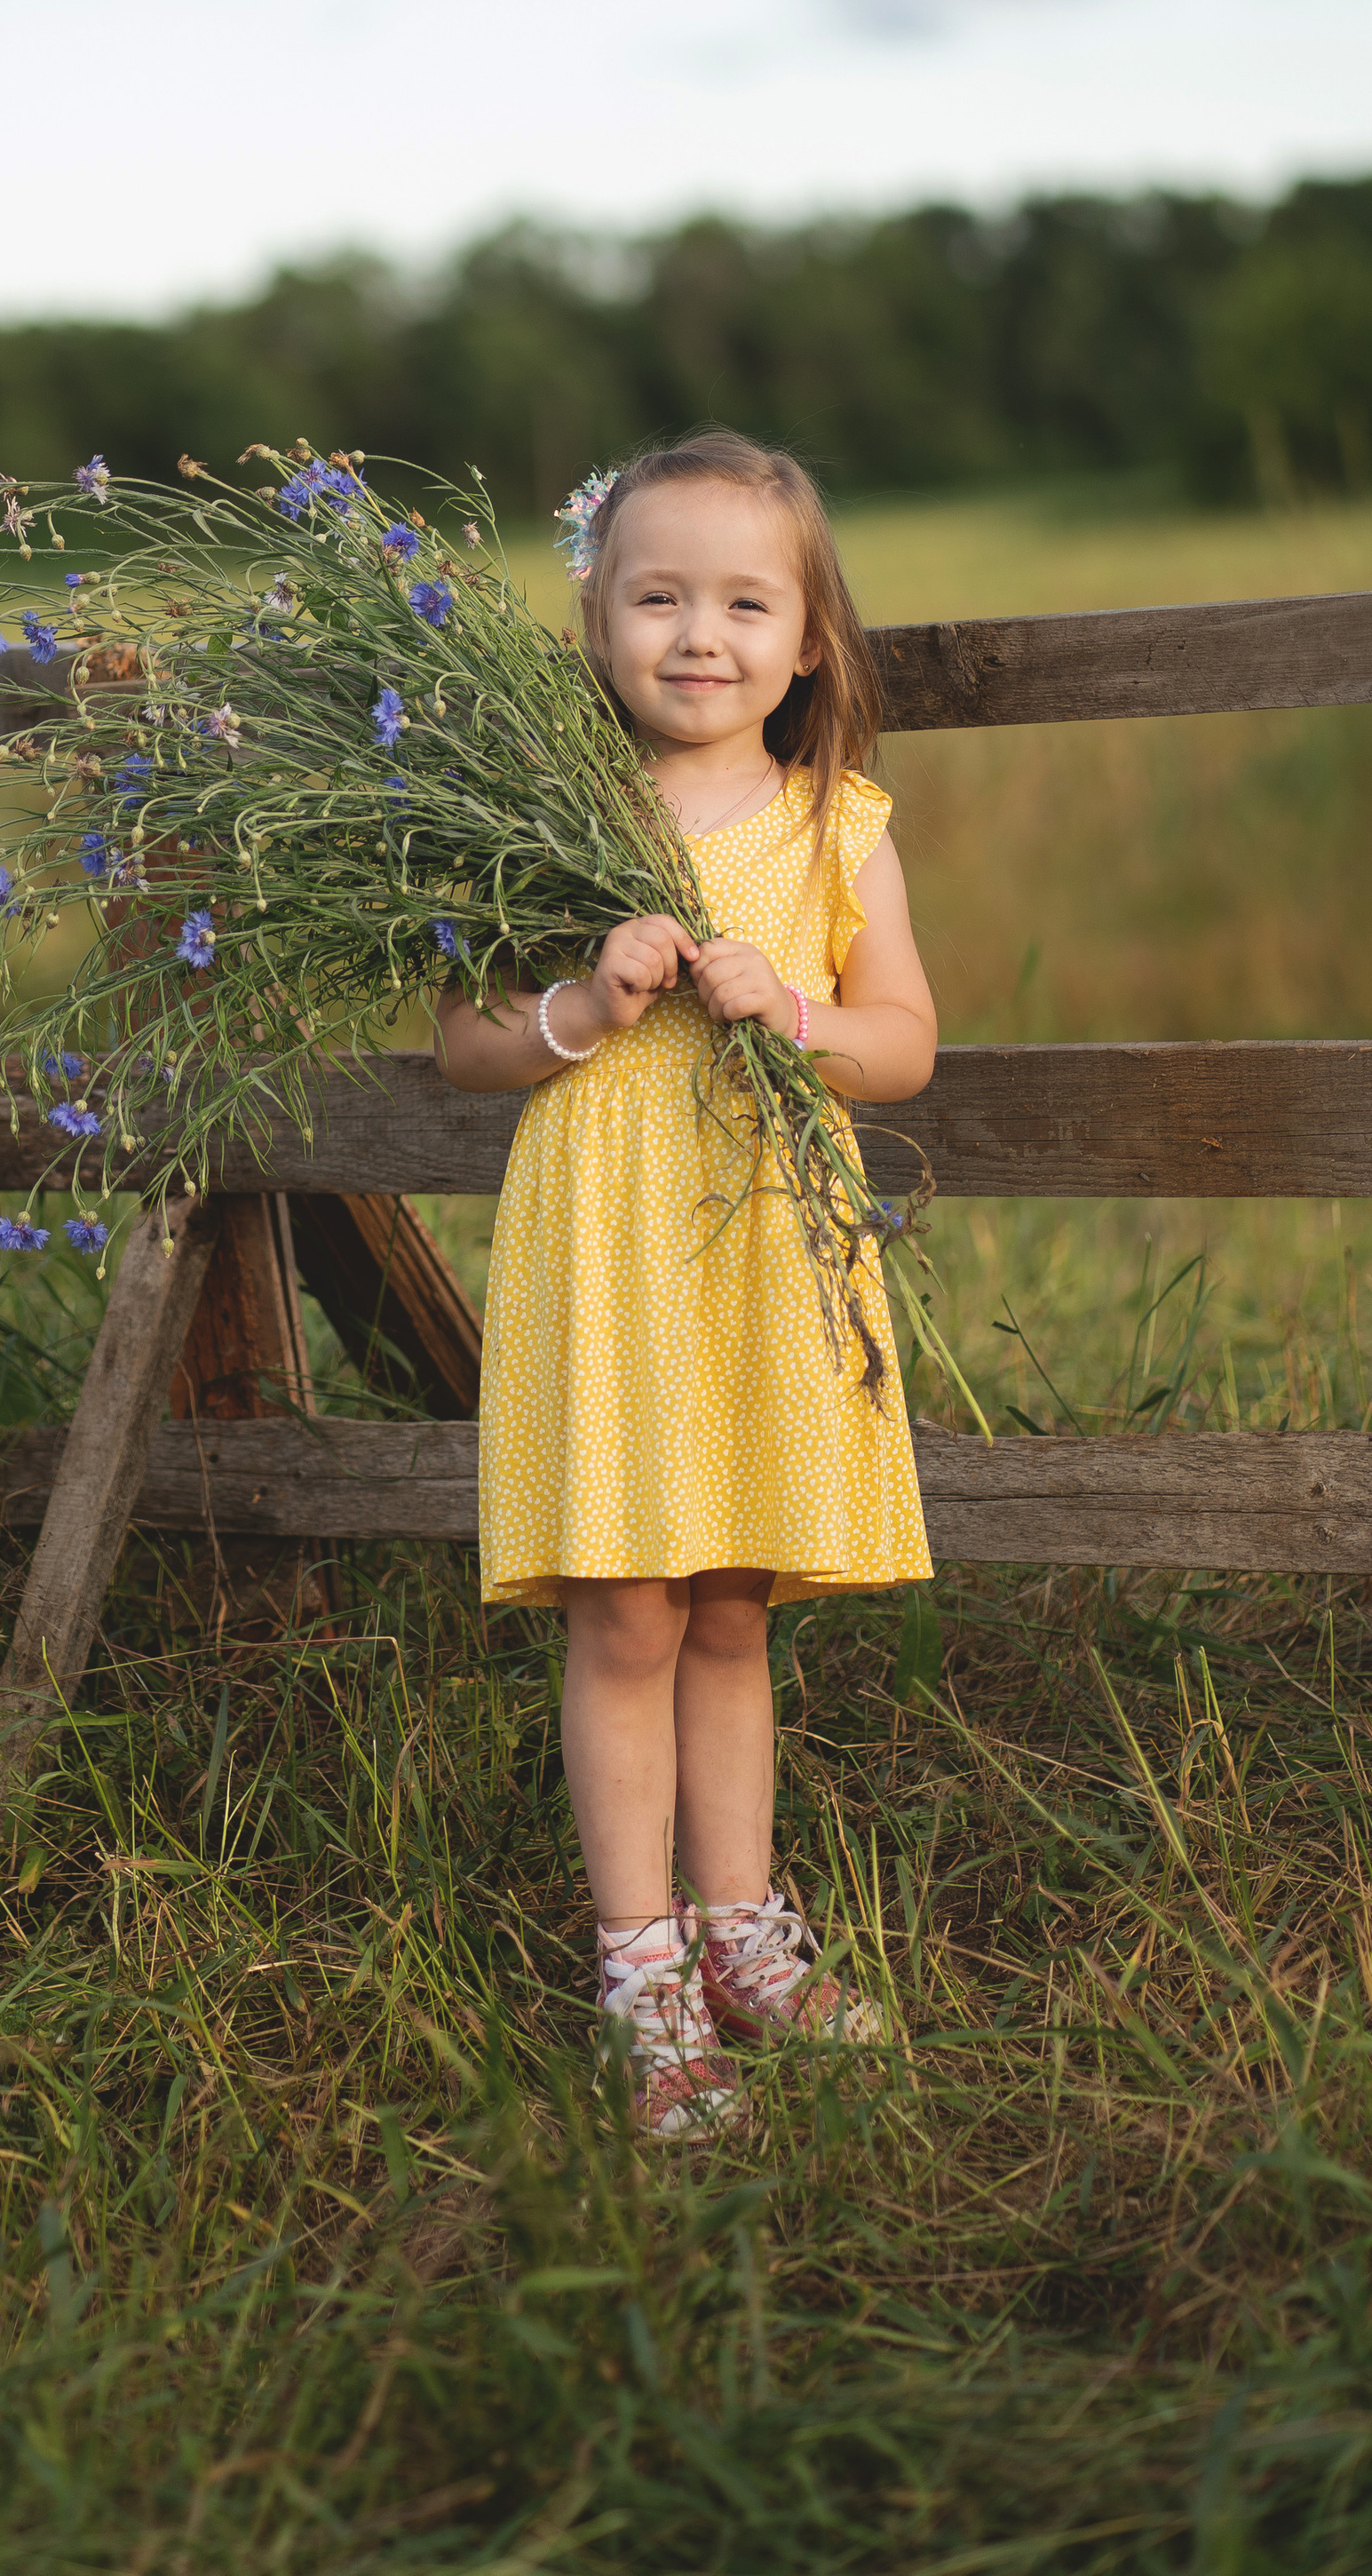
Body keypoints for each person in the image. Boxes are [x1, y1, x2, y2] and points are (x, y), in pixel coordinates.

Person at [432, 431, 938, 2137]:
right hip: (609, 1249)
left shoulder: (835, 824)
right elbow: (468, 1043)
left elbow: (905, 1044)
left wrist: (790, 1008)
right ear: (599, 623)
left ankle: (744, 1935)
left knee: (732, 1605)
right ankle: (640, 1970)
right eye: (657, 598)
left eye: (743, 603)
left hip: (765, 1249)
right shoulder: (546, 822)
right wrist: (585, 1003)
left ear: (809, 643)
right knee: (628, 1608)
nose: (699, 635)